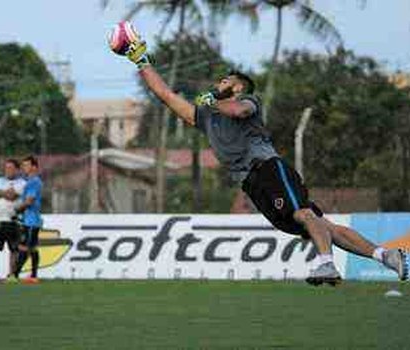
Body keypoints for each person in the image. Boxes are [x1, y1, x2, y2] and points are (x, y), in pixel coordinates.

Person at [113, 28, 408, 285]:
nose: (220, 81)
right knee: (321, 225)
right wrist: (141, 60)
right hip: (253, 186)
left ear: (239, 87)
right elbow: (166, 95)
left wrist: (214, 101)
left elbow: (236, 110)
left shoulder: (248, 103)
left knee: (304, 214)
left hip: (269, 169)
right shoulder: (207, 117)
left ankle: (326, 263)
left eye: (226, 79)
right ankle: (385, 255)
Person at [14, 155, 43, 283]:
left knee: (24, 248)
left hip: (31, 221)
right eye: (23, 165)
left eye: (27, 165)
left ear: (34, 167)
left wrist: (17, 210)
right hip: (32, 220)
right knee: (32, 248)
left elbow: (29, 201)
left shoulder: (33, 182)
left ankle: (14, 276)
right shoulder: (33, 181)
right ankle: (33, 276)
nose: (24, 168)